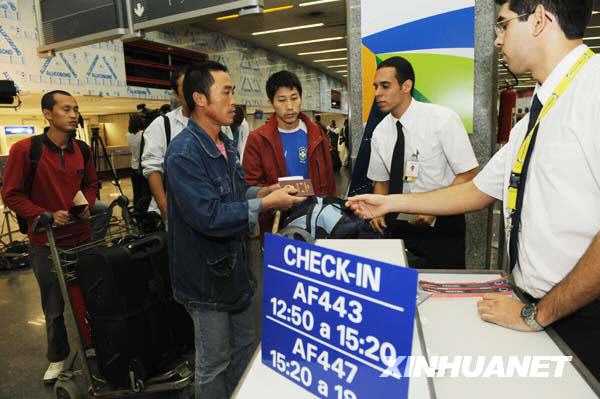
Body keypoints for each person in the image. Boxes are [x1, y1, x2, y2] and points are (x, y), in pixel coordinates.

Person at [347, 0, 600, 379]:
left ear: (540, 20)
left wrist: (538, 313)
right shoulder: (543, 107)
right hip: (539, 305)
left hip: (578, 315)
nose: (498, 40)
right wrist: (388, 202)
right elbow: (478, 189)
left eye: (503, 25)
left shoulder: (592, 92)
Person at [165, 61, 305, 399]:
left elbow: (235, 192)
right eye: (226, 92)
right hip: (205, 280)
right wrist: (268, 205)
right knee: (214, 362)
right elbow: (208, 216)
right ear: (200, 98)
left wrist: (264, 192)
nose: (233, 100)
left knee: (246, 346)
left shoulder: (224, 144)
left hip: (235, 270)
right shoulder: (183, 152)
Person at [1, 90, 99, 383]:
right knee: (54, 304)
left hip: (82, 237)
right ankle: (58, 357)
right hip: (46, 243)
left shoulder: (82, 150)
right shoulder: (25, 150)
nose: (73, 114)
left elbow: (92, 183)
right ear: (47, 114)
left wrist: (88, 204)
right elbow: (11, 195)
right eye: (66, 109)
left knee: (92, 297)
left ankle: (95, 344)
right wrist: (44, 213)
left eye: (76, 109)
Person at [366, 56, 479, 268]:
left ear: (406, 86)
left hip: (442, 223)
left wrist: (433, 208)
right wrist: (377, 210)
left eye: (385, 86)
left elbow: (468, 173)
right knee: (403, 290)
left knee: (444, 292)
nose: (377, 93)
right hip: (400, 223)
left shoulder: (442, 120)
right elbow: (380, 182)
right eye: (375, 86)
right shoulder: (380, 132)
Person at [242, 70, 336, 234]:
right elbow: (250, 187)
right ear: (271, 102)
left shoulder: (317, 134)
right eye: (282, 100)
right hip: (278, 224)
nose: (290, 107)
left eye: (294, 98)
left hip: (317, 221)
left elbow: (329, 180)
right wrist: (273, 195)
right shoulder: (258, 139)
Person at [141, 65, 190, 221]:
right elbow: (152, 168)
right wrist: (165, 209)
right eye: (186, 87)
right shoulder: (163, 125)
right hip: (175, 211)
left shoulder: (217, 124)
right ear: (176, 94)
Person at [125, 114, 145, 210]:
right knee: (144, 193)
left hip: (133, 168)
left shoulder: (127, 135)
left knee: (136, 193)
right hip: (142, 168)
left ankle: (136, 211)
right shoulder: (143, 134)